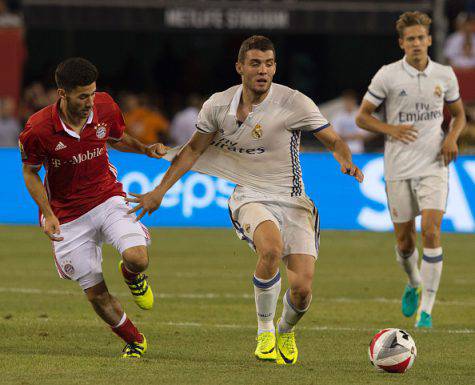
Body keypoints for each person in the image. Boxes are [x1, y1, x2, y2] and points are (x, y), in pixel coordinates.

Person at [128, 36, 363, 365]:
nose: (263, 70)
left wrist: (345, 159)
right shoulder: (218, 105)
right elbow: (193, 149)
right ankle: (264, 330)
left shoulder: (294, 103)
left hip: (293, 199)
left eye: (269, 64)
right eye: (255, 63)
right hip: (249, 195)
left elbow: (333, 139)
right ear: (240, 67)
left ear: (275, 67)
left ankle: (285, 328)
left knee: (302, 289)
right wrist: (159, 191)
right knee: (270, 249)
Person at [19, 57, 167, 358]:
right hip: (67, 217)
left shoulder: (105, 106)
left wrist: (145, 149)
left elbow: (117, 137)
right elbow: (30, 172)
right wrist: (48, 214)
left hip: (106, 197)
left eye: (93, 92)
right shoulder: (38, 129)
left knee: (137, 258)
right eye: (82, 95)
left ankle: (132, 276)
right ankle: (135, 340)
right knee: (96, 293)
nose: (90, 101)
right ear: (63, 94)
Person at [356, 12, 466, 328]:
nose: (416, 43)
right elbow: (364, 117)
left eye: (421, 38)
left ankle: (426, 311)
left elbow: (459, 116)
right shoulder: (387, 76)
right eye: (411, 39)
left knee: (431, 231)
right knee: (405, 243)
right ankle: (414, 282)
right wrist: (390, 129)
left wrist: (451, 138)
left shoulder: (444, 75)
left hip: (435, 164)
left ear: (429, 40)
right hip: (398, 166)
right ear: (402, 43)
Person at [332, 90, 370, 154]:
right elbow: (334, 134)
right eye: (347, 101)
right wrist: (351, 136)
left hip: (357, 149)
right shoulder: (338, 116)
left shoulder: (360, 115)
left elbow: (364, 134)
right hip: (342, 150)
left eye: (350, 101)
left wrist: (347, 136)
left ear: (354, 101)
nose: (348, 103)